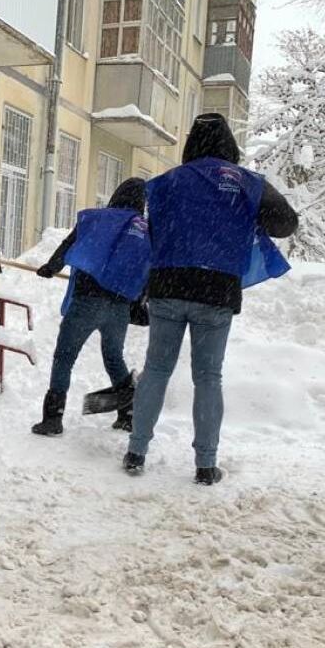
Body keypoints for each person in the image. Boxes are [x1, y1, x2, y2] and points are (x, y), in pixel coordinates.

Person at [124, 113, 298, 483]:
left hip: (169, 284)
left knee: (156, 369)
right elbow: (286, 224)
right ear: (229, 145)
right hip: (216, 290)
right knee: (208, 376)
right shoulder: (248, 183)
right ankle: (205, 465)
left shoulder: (165, 182)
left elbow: (154, 234)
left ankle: (136, 452)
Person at [31, 177, 151, 436]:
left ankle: (53, 418)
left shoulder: (97, 219)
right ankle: (127, 413)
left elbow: (70, 243)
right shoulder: (144, 230)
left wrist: (51, 268)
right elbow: (148, 268)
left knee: (65, 357)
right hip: (119, 307)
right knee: (113, 356)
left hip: (87, 301)